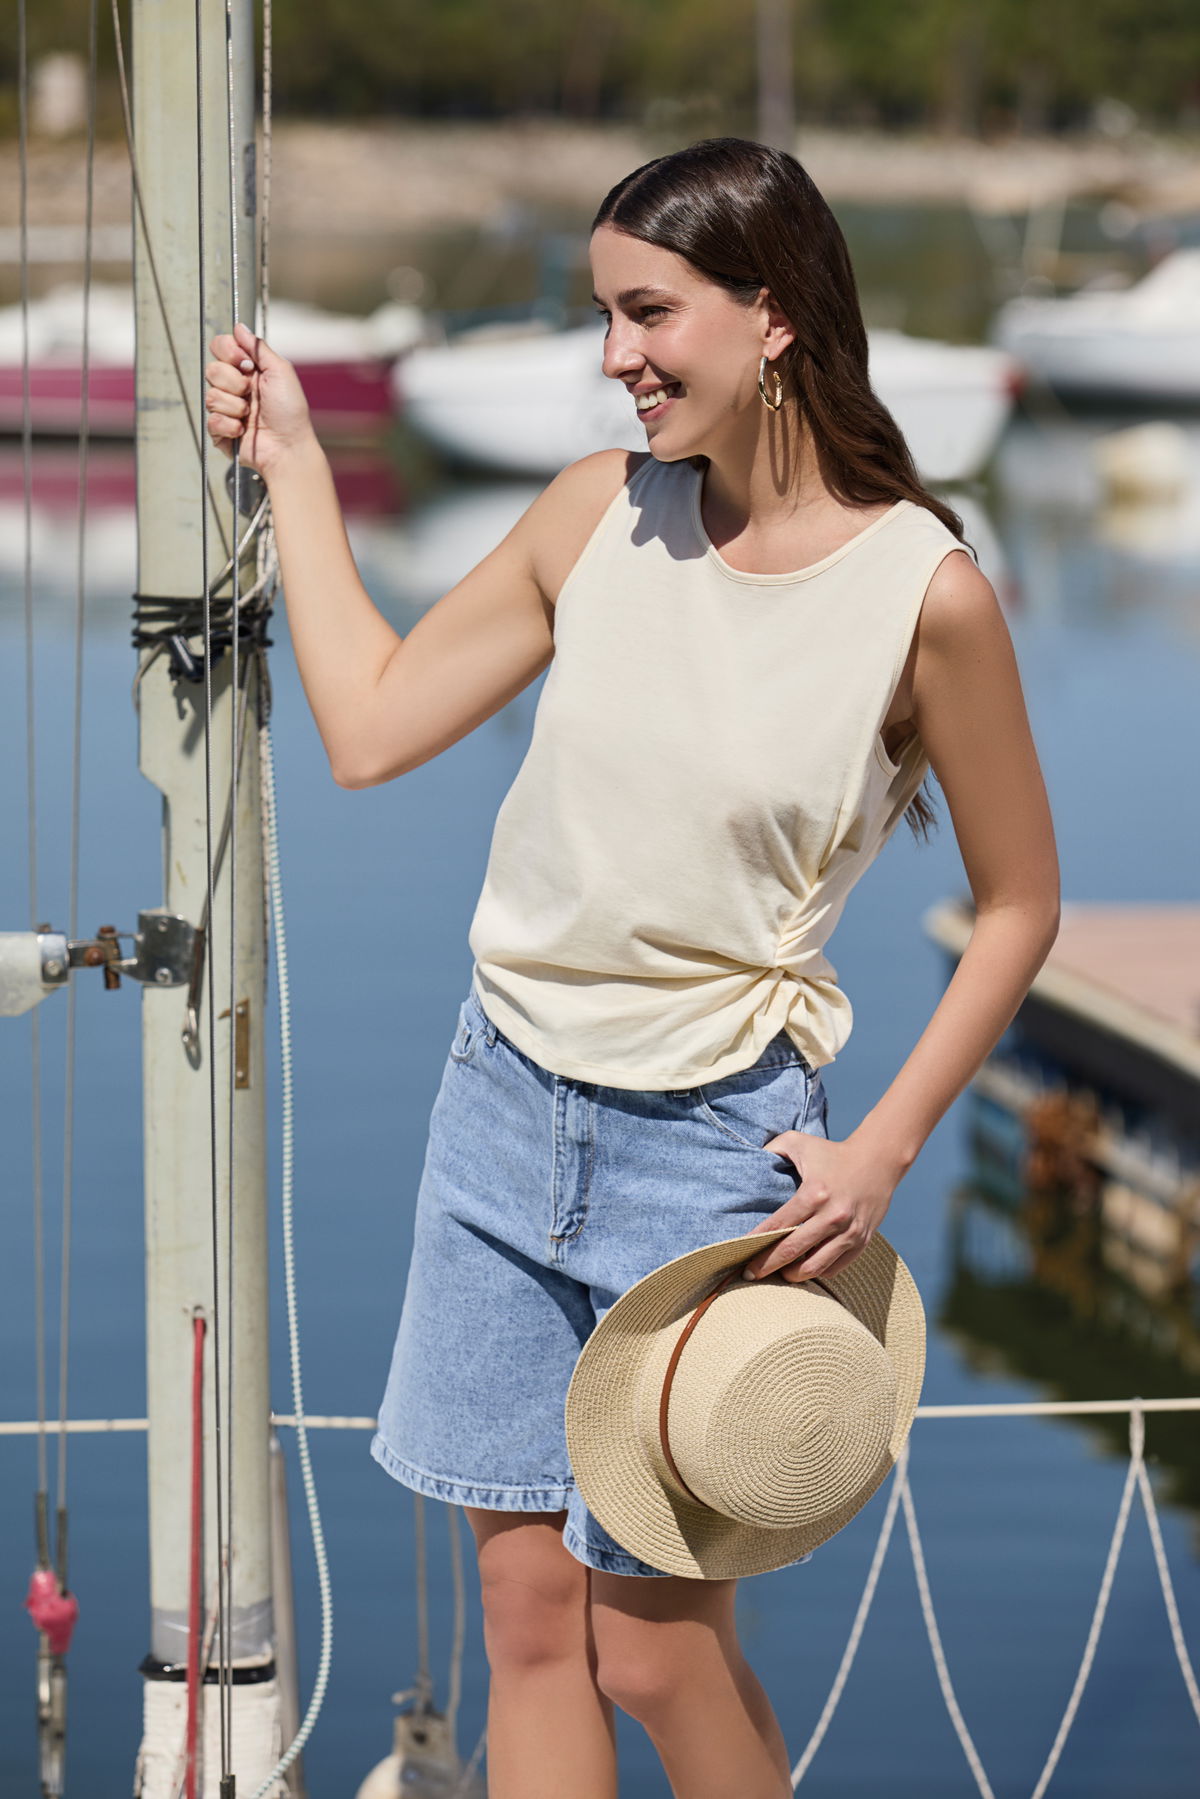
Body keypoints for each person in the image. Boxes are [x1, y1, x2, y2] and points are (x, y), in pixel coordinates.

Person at [205, 137, 1059, 1799]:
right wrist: (294, 460)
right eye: (606, 314)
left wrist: (883, 1152)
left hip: (712, 1152)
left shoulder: (927, 596)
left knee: (654, 1648)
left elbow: (1021, 903)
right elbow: (368, 727)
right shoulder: (594, 514)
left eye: (649, 312)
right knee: (528, 1624)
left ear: (774, 312)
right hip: (498, 1113)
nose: (617, 356)